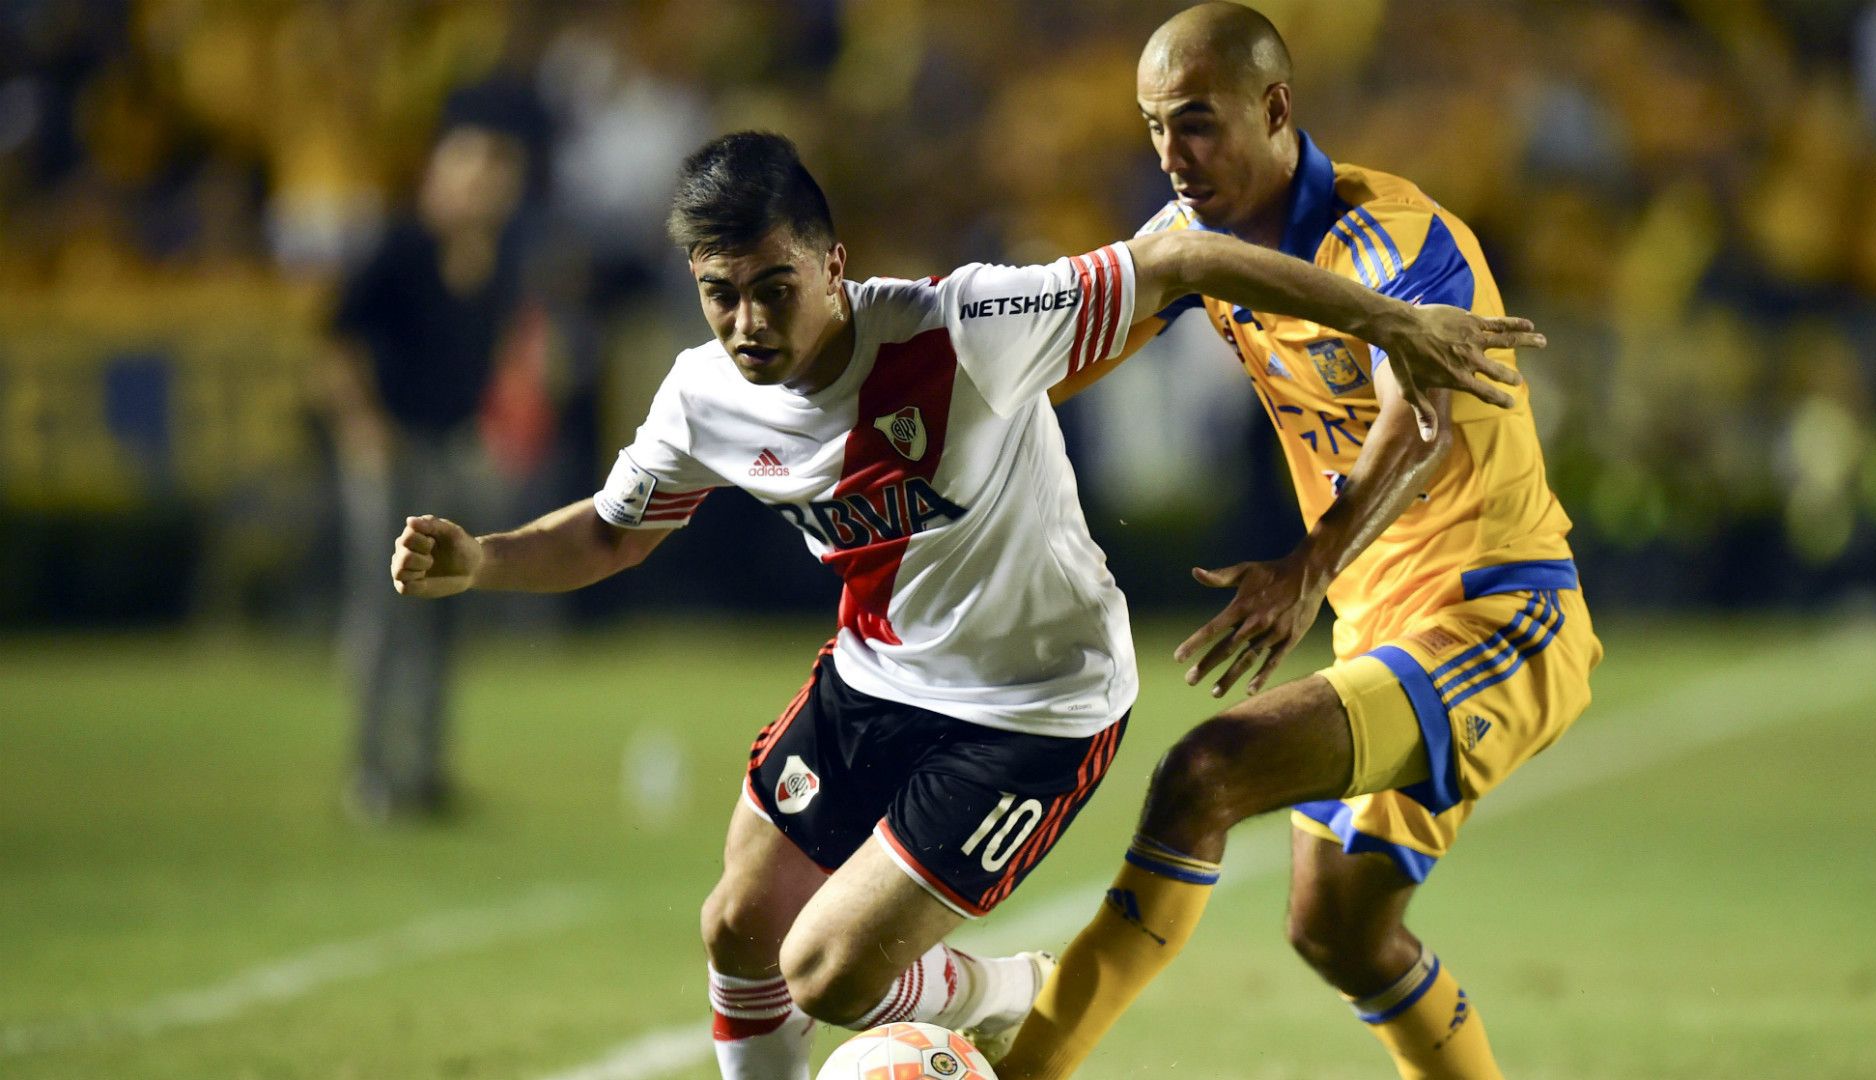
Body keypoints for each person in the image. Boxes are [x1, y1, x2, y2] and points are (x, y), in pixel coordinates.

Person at [385, 131, 1535, 1080]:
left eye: (774, 287)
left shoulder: (969, 327)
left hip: (1036, 710)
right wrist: (479, 562)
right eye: (721, 295)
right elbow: (608, 531)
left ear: (833, 264)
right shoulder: (703, 397)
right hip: (874, 677)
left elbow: (1184, 262)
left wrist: (1388, 321)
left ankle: (1017, 990)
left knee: (830, 975)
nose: (747, 324)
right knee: (738, 927)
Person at [997, 5, 1604, 1078]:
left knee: (1205, 772)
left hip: (1498, 612)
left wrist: (1307, 567)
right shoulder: (1198, 248)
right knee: (1340, 930)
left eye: (1196, 123)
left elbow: (1416, 416)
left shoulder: (1395, 240)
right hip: (1386, 630)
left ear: (1276, 108)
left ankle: (1026, 1069)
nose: (1173, 158)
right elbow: (1064, 353)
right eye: (1152, 130)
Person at [318, 119, 533, 821]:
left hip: (450, 446)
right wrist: (361, 426)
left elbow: (492, 356)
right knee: (384, 610)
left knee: (446, 606)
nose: (480, 191)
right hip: (393, 446)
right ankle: (372, 774)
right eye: (467, 175)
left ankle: (425, 769)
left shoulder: (497, 260)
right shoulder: (400, 248)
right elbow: (336, 341)